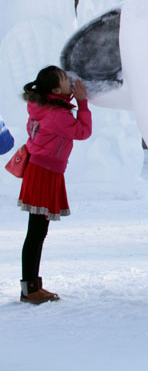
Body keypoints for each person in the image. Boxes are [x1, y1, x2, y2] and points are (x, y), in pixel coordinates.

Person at [17, 65, 92, 305]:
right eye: (64, 78)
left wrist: (72, 97)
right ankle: (30, 289)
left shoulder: (46, 106)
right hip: (44, 173)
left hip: (42, 170)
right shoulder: (56, 114)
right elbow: (82, 131)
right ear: (55, 88)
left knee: (37, 231)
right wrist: (82, 103)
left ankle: (31, 286)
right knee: (37, 232)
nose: (70, 79)